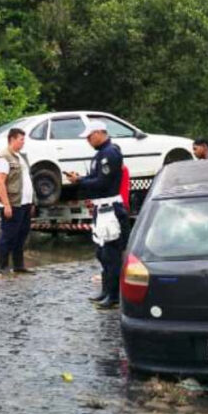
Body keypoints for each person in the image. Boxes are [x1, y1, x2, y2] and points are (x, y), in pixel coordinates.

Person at [65, 121, 129, 311]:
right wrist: (81, 179)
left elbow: (103, 183)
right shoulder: (100, 154)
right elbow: (96, 178)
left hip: (110, 207)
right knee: (102, 253)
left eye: (90, 136)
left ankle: (114, 296)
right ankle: (107, 291)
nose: (88, 140)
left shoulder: (110, 153)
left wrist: (80, 181)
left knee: (111, 254)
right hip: (101, 208)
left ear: (100, 132)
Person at [0, 128, 35, 275]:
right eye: (21, 139)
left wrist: (31, 202)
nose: (23, 142)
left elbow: (27, 180)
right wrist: (6, 204)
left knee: (21, 235)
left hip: (24, 203)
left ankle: (19, 265)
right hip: (13, 203)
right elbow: (0, 182)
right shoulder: (4, 158)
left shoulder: (20, 157)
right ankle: (3, 266)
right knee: (8, 235)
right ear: (12, 139)